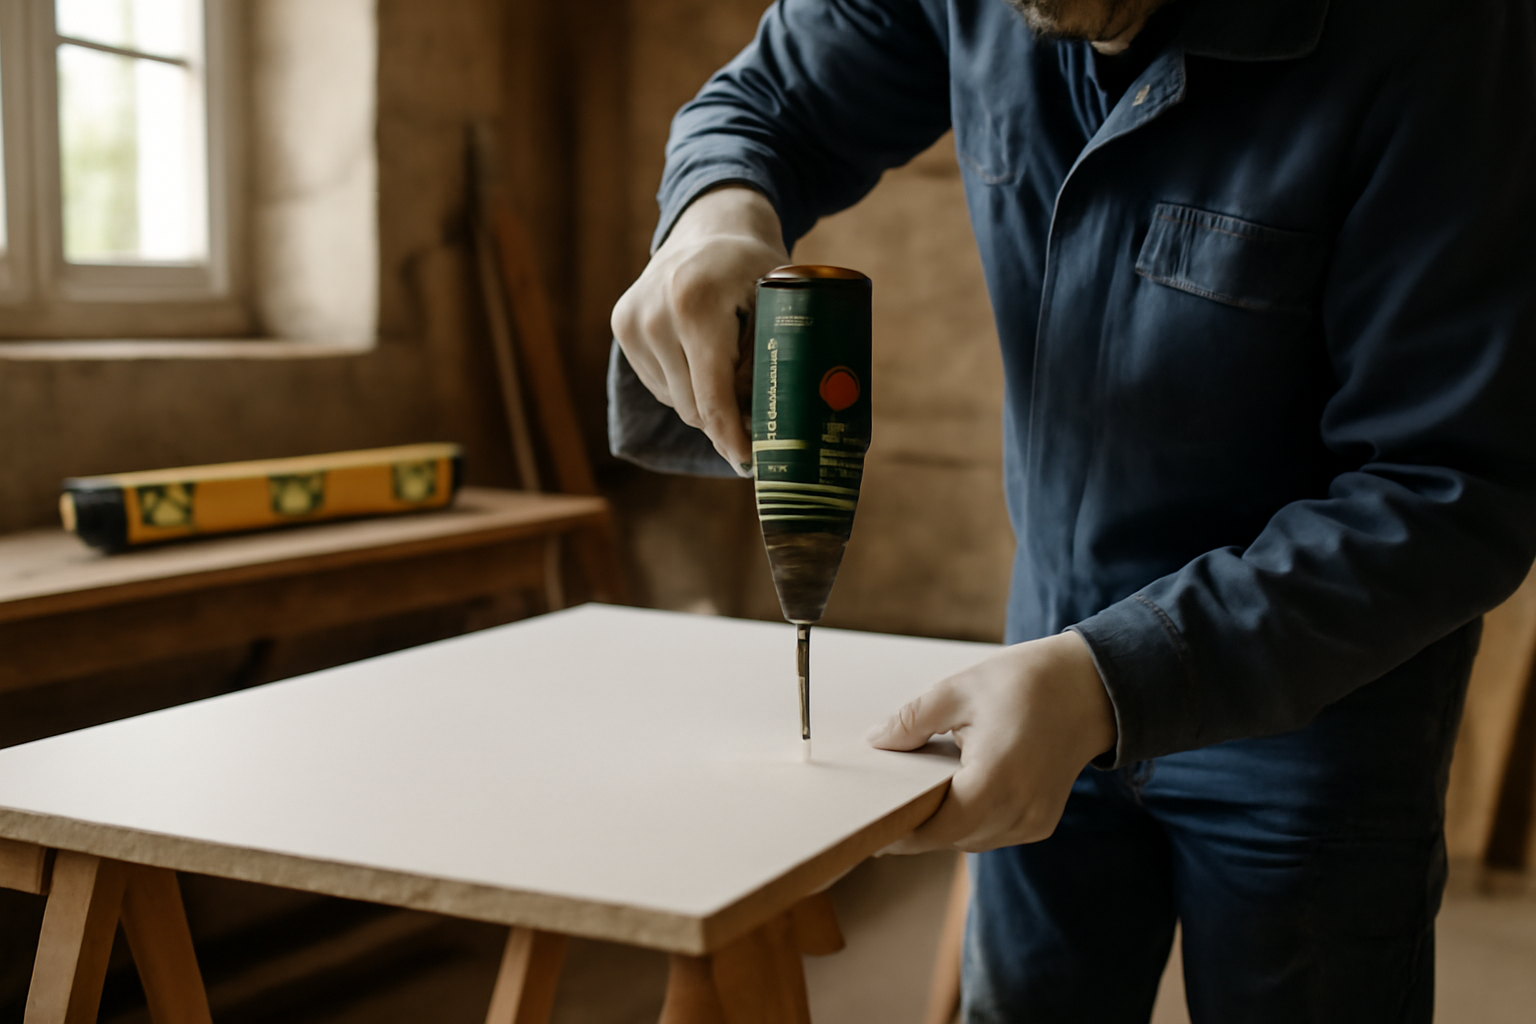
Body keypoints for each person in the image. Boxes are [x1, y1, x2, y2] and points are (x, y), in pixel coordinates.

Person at [607, 0, 1536, 1019]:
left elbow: (1451, 485)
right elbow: (769, 99)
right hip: (1039, 668)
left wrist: (1107, 680)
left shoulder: (1448, 35)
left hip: (1316, 706)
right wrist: (718, 209)